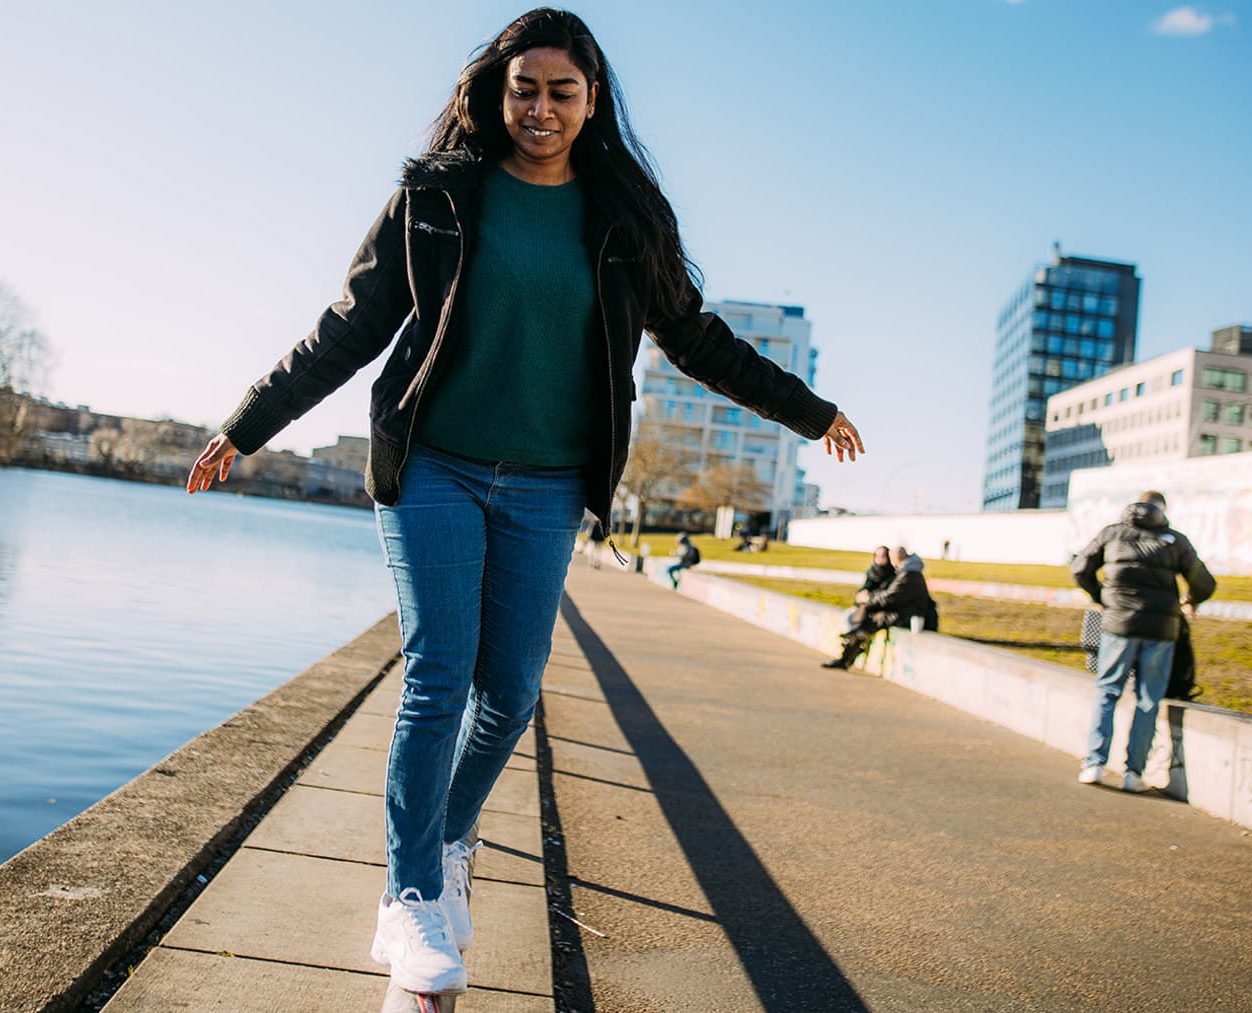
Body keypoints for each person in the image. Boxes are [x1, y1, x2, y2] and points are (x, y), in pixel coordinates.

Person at [182, 9, 862, 999]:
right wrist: (247, 425)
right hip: (435, 468)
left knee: (511, 687)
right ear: (494, 95)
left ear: (592, 103)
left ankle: (450, 837)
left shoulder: (624, 220)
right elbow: (347, 328)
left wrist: (809, 411)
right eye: (525, 89)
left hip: (548, 481)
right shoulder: (436, 197)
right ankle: (410, 896)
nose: (541, 107)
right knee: (437, 673)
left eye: (563, 91)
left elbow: (698, 339)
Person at [1070, 490, 1215, 792]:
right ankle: (1133, 773)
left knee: (1108, 691)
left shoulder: (1112, 533)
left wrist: (1102, 596)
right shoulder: (1175, 540)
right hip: (1161, 629)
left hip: (1118, 625)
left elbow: (1080, 568)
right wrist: (1190, 599)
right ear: (1162, 510)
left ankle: (1094, 764)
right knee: (1148, 700)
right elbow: (1204, 582)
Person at [822, 547, 937, 669]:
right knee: (868, 618)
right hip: (905, 613)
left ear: (895, 559)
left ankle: (849, 649)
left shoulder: (909, 574)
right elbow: (890, 596)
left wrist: (868, 599)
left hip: (909, 616)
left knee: (871, 619)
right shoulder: (909, 572)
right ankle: (849, 648)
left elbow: (891, 597)